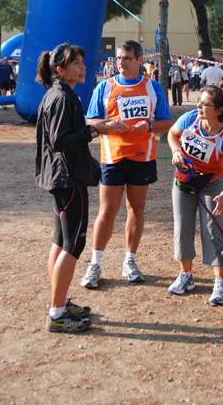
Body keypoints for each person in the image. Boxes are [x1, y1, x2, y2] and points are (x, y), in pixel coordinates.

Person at [35, 42, 116, 334]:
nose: (83, 67)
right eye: (77, 64)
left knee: (60, 241)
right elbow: (60, 140)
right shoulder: (61, 98)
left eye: (83, 62)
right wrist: (96, 130)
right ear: (61, 70)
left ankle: (60, 301)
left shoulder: (60, 94)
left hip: (63, 178)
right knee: (73, 244)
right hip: (67, 180)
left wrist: (92, 130)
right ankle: (57, 314)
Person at [81, 40, 172, 289]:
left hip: (142, 158)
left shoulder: (152, 87)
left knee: (136, 209)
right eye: (119, 58)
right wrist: (107, 125)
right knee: (107, 211)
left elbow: (166, 121)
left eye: (127, 58)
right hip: (112, 158)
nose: (121, 63)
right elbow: (91, 119)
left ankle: (129, 261)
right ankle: (95, 265)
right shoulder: (105, 87)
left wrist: (151, 126)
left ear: (140, 60)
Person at [168, 84, 223, 305]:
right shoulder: (191, 117)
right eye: (199, 101)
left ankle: (219, 281)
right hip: (184, 180)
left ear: (219, 109)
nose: (199, 105)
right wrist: (176, 150)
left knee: (213, 231)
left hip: (212, 183)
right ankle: (186, 275)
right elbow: (172, 133)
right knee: (183, 227)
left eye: (204, 103)